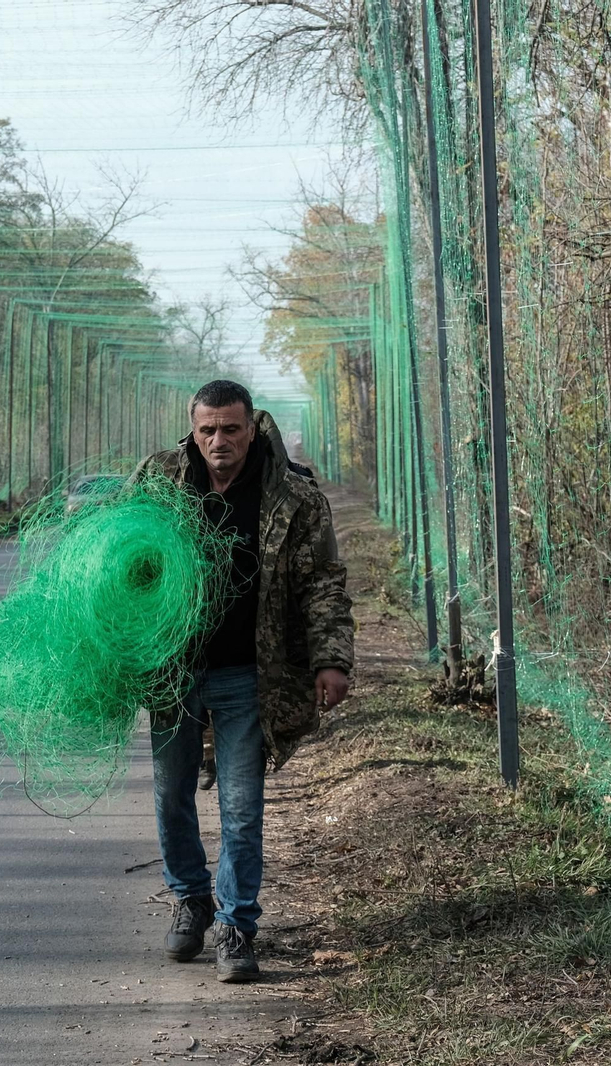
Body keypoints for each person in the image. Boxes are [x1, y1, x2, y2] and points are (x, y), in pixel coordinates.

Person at [134, 379, 354, 982]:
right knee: (171, 794)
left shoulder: (294, 494)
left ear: (252, 428)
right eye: (207, 430)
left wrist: (331, 659)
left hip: (249, 675)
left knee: (241, 807)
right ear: (192, 430)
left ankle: (237, 925)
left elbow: (323, 582)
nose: (219, 441)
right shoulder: (157, 481)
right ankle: (191, 898)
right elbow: (119, 564)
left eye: (231, 429)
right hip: (173, 670)